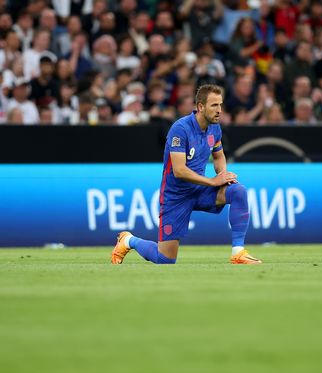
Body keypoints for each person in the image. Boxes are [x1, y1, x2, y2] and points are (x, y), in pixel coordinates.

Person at [111, 84, 262, 265]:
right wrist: (213, 181)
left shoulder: (215, 128)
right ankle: (128, 240)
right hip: (176, 196)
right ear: (200, 107)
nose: (219, 110)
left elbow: (218, 155)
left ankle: (238, 253)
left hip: (200, 190)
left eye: (220, 105)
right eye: (214, 105)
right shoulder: (180, 129)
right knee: (164, 259)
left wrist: (223, 175)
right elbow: (179, 170)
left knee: (238, 191)